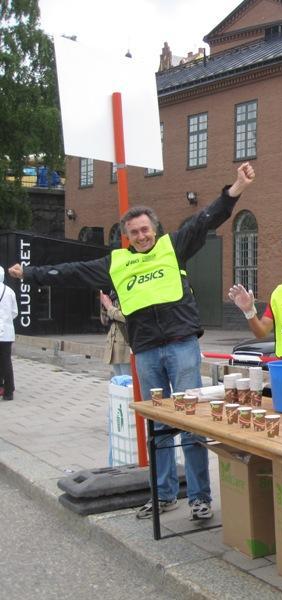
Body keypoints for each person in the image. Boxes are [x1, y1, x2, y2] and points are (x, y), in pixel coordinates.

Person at [9, 162, 256, 521]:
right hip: (147, 351)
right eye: (134, 232)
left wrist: (236, 187)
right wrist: (30, 273)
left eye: (145, 229)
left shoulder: (173, 246)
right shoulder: (117, 262)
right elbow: (72, 273)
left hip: (183, 345)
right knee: (157, 427)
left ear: (154, 229)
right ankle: (165, 494)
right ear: (127, 235)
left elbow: (206, 219)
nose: (141, 236)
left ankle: (200, 496)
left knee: (193, 423)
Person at [100, 290, 131, 377]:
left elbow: (129, 317)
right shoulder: (111, 293)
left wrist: (109, 307)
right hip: (113, 343)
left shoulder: (127, 291)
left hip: (126, 343)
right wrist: (104, 304)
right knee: (118, 383)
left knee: (128, 382)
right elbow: (104, 321)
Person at [0, 267, 18, 401]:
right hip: (6, 332)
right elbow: (14, 312)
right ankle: (9, 391)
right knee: (6, 361)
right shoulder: (10, 291)